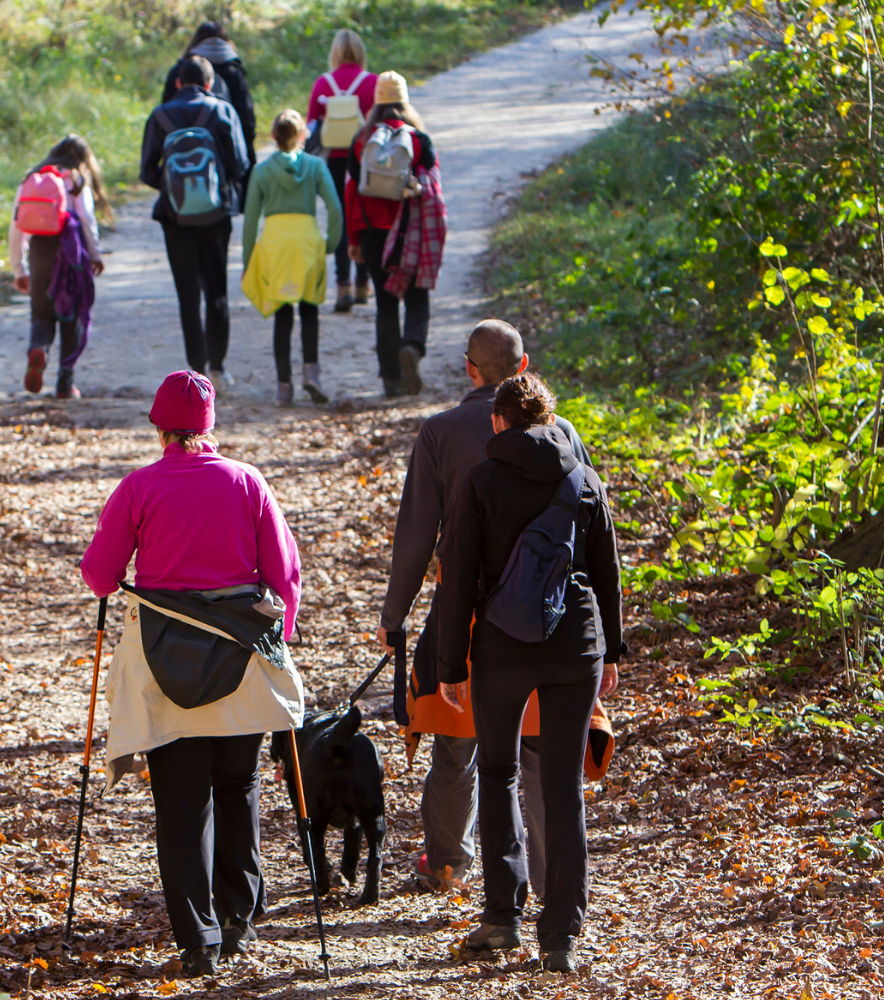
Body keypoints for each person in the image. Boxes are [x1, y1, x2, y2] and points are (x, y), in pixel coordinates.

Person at [81, 371, 305, 979]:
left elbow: (101, 577)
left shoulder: (138, 488)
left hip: (164, 663)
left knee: (181, 801)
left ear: (158, 427)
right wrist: (278, 643)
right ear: (211, 426)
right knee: (237, 784)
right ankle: (239, 917)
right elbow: (284, 576)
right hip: (239, 661)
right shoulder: (246, 481)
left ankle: (197, 939)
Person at [377, 320, 592, 897]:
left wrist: (394, 615)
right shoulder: (563, 432)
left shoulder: (441, 433)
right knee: (543, 752)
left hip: (470, 612)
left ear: (469, 369)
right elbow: (589, 527)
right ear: (525, 368)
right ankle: (549, 881)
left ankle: (449, 860)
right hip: (552, 612)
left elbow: (417, 535)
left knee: (459, 744)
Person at [435, 371, 625, 973]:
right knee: (563, 787)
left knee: (496, 772)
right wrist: (612, 651)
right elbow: (606, 569)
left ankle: (502, 917)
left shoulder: (482, 479)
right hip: (576, 645)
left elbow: (458, 572)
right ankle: (561, 935)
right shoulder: (581, 475)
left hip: (503, 644)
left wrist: (449, 663)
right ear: (547, 419)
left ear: (497, 421)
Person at [141, 56, 251, 387]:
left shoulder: (160, 115)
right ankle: (218, 368)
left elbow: (147, 172)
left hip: (175, 218)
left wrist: (175, 187)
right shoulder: (221, 111)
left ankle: (196, 369)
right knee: (217, 289)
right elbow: (240, 163)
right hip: (217, 216)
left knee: (188, 293)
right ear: (209, 83)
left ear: (177, 83)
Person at [344, 72, 444, 397]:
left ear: (377, 101)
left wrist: (354, 240)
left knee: (385, 305)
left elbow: (353, 192)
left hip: (373, 234)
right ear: (404, 101)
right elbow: (433, 188)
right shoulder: (419, 140)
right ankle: (412, 347)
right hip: (408, 232)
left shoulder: (361, 141)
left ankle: (390, 379)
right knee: (417, 296)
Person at [242, 110, 341, 406]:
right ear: (301, 135)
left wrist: (249, 260)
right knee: (309, 309)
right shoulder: (316, 166)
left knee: (282, 314)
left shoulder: (261, 171)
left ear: (273, 136)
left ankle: (283, 384)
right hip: (307, 241)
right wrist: (330, 244)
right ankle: (312, 373)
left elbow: (250, 220)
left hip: (276, 245)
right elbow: (335, 209)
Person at [9, 135, 112, 398]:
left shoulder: (33, 177)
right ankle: (65, 384)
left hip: (39, 251)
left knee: (41, 312)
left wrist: (19, 269)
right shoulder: (75, 179)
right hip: (70, 253)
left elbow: (15, 227)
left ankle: (39, 350)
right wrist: (95, 254)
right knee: (72, 315)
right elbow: (87, 220)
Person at [305, 29, 378, 313]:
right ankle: (363, 282)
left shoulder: (323, 83)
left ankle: (343, 285)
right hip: (364, 159)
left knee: (339, 218)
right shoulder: (371, 82)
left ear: (334, 53)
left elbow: (311, 124)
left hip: (333, 160)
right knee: (364, 218)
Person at [162, 21, 258, 205]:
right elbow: (247, 120)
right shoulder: (233, 71)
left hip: (180, 156)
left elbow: (165, 111)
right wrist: (241, 167)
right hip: (221, 158)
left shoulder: (180, 70)